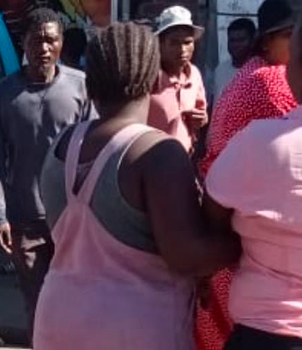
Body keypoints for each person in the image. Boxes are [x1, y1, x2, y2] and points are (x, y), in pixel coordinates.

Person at [33, 21, 240, 350]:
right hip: (135, 328)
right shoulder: (158, 152)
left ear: (91, 82)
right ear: (152, 76)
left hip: (56, 319)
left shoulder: (63, 144)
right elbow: (187, 256)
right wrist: (241, 243)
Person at [196, 0, 302, 350]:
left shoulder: (255, 74)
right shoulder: (269, 82)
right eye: (292, 36)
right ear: (269, 41)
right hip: (254, 263)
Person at [0, 8, 94, 336]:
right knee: (37, 303)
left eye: (51, 40)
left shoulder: (81, 87)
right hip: (25, 220)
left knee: (76, 301)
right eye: (36, 41)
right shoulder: (4, 94)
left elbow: (95, 153)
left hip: (72, 219)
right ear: (24, 43)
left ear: (61, 44)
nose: (43, 48)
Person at [147, 6, 207, 154]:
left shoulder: (194, 75)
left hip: (185, 159)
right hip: (150, 161)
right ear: (160, 43)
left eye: (187, 42)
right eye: (174, 43)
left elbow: (201, 114)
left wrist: (201, 120)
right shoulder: (148, 77)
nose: (182, 50)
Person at [212, 18, 257, 104]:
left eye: (241, 40)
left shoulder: (259, 72)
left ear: (252, 41)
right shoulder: (220, 70)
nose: (236, 45)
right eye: (232, 40)